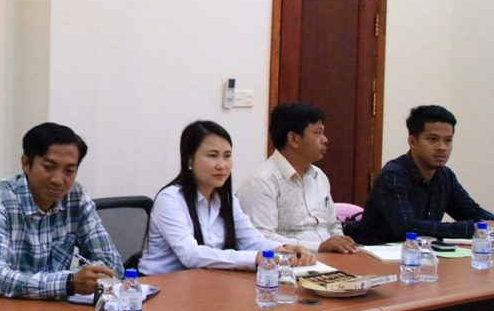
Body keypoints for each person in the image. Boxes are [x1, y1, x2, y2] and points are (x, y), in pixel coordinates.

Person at [0, 122, 124, 299]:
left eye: (69, 171)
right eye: (49, 167)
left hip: (54, 307)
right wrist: (68, 282)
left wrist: (79, 280)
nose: (58, 180)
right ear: (26, 163)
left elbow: (112, 263)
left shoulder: (77, 197)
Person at [139, 120, 315, 275]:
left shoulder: (227, 199)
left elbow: (251, 239)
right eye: (212, 155)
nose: (222, 165)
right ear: (189, 159)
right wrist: (255, 258)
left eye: (227, 156)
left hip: (206, 282)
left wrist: (283, 249)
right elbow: (191, 255)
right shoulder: (170, 199)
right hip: (163, 286)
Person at [352, 105, 493, 244]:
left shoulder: (445, 176)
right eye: (433, 139)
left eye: (448, 140)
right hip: (375, 255)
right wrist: (474, 228)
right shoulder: (393, 175)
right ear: (412, 142)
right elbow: (407, 228)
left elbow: (473, 212)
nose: (442, 147)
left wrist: (488, 223)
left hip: (421, 254)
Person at [237, 103, 357, 253]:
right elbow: (261, 238)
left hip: (329, 258)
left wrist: (343, 246)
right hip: (290, 261)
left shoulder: (319, 176)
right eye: (317, 133)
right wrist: (319, 247)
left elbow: (333, 226)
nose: (325, 139)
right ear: (293, 139)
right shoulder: (261, 181)